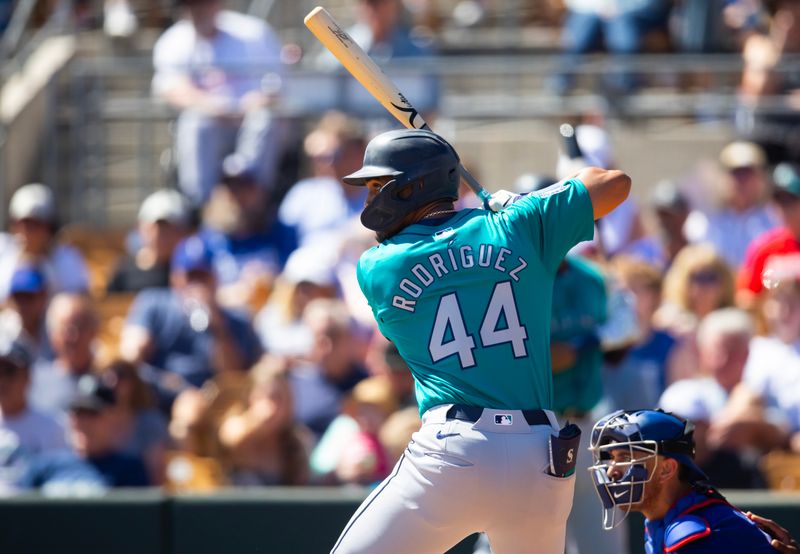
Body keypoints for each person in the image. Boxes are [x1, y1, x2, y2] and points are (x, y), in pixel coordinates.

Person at [329, 128, 630, 553]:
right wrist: (526, 209)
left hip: (453, 453)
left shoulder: (378, 266)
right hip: (540, 458)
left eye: (379, 186)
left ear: (411, 187)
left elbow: (441, 263)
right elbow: (615, 183)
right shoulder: (518, 226)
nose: (369, 199)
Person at [587, 409, 785, 553]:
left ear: (667, 469)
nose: (612, 470)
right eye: (611, 458)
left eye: (625, 457)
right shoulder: (663, 522)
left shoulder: (693, 534)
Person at [151, 0, 285, 205]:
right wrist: (212, 106)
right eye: (190, 5)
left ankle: (249, 192)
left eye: (203, 3)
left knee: (264, 119)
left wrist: (255, 101)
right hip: (210, 122)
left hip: (249, 119)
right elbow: (171, 88)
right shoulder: (174, 40)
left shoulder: (252, 32)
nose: (197, 10)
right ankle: (202, 205)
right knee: (196, 122)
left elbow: (277, 83)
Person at [120, 235, 262, 395]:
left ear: (215, 279)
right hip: (158, 394)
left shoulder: (236, 318)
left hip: (213, 401)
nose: (196, 284)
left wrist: (217, 327)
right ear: (175, 278)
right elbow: (131, 355)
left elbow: (232, 376)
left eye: (202, 277)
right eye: (190, 276)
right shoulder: (153, 303)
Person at [0, 338, 69, 492]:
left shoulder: (53, 427)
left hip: (34, 514)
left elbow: (60, 482)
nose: (3, 380)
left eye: (9, 371)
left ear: (28, 377)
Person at [0, 183, 89, 301]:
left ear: (49, 227)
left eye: (33, 225)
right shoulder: (4, 250)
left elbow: (78, 305)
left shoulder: (67, 259)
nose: (25, 231)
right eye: (19, 224)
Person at [67, 374, 150, 487]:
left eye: (92, 414)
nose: (84, 423)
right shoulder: (46, 467)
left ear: (112, 419)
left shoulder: (129, 470)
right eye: (78, 414)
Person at [106, 189, 192, 294]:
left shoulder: (193, 273)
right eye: (157, 228)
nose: (164, 236)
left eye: (172, 228)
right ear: (140, 228)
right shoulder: (123, 272)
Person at [738, 162, 800, 307]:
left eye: (791, 200)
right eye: (779, 200)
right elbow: (745, 297)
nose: (785, 208)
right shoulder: (764, 247)